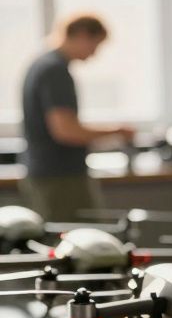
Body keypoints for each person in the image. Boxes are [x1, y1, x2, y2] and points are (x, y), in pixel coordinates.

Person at [20, 14, 133, 221]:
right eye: (95, 45)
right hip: (60, 177)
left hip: (49, 173)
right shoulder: (54, 70)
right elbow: (66, 131)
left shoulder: (43, 65)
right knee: (80, 235)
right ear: (81, 35)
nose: (94, 54)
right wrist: (117, 132)